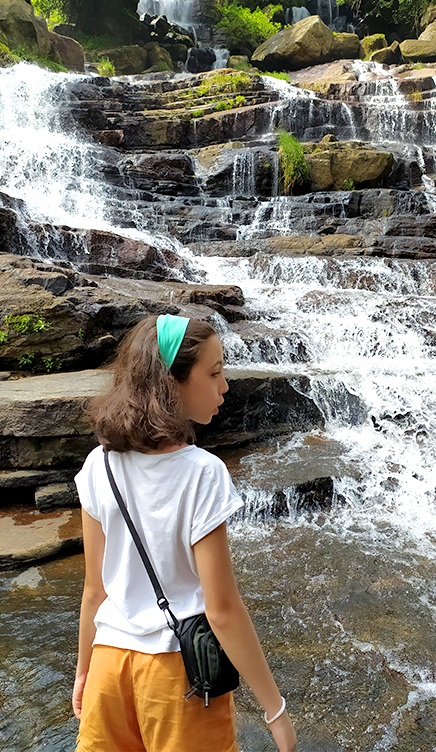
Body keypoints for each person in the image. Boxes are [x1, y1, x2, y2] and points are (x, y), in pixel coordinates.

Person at [72, 314, 297, 752]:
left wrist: (83, 672)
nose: (225, 386)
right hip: (179, 675)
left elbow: (93, 592)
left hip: (108, 665)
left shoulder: (99, 464)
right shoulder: (203, 474)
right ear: (171, 382)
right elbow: (223, 610)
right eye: (213, 373)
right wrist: (275, 710)